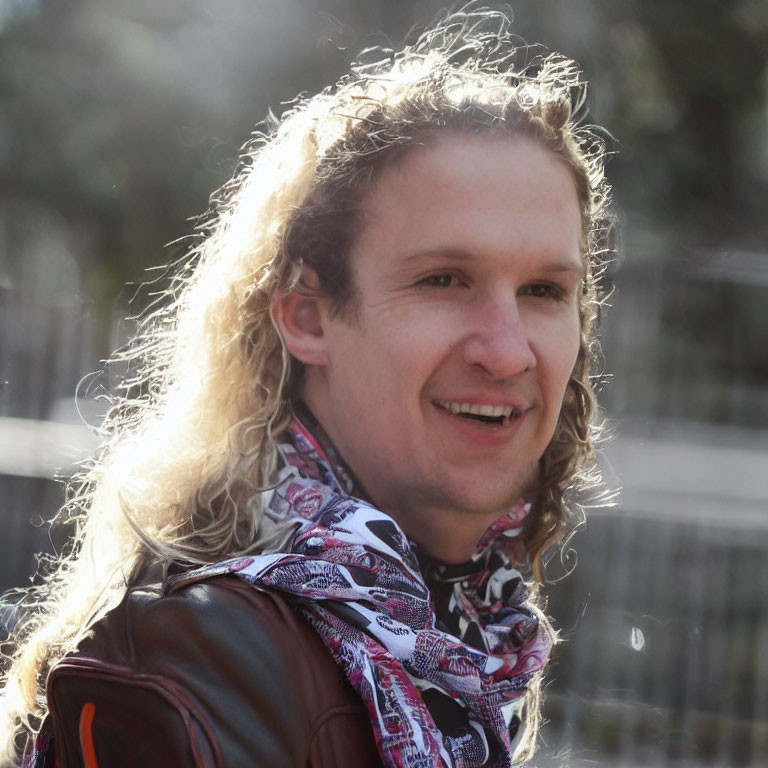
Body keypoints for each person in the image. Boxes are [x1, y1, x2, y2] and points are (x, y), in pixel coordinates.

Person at [0, 6, 612, 767]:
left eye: (546, 291)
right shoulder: (198, 663)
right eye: (444, 280)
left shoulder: (475, 640)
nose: (507, 348)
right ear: (308, 318)